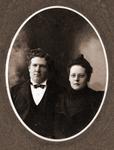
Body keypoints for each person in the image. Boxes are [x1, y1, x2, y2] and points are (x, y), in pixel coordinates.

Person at [11, 48, 62, 138]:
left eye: (42, 66)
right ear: (29, 68)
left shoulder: (60, 92)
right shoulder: (15, 91)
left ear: (48, 69)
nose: (37, 70)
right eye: (34, 65)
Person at [55, 54, 104, 138]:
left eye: (81, 76)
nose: (76, 79)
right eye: (73, 75)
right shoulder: (59, 99)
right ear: (69, 78)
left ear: (88, 78)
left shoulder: (97, 98)